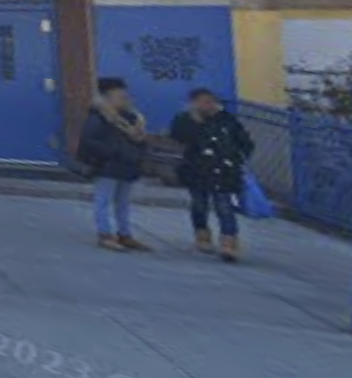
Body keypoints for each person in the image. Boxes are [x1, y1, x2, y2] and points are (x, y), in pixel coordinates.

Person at [169, 88, 256, 262]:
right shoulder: (185, 119)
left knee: (224, 207)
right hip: (197, 170)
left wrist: (237, 157)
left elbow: (245, 142)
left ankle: (229, 244)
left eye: (210, 101)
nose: (207, 105)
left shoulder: (227, 120)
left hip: (224, 171)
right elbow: (179, 137)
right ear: (193, 103)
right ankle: (202, 237)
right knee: (199, 204)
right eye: (202, 101)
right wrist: (195, 121)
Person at [77, 76, 152, 251]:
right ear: (106, 97)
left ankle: (125, 234)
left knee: (123, 202)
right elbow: (90, 140)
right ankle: (105, 234)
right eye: (119, 95)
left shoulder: (133, 117)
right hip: (108, 165)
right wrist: (112, 154)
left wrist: (139, 155)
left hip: (128, 165)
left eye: (125, 95)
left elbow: (140, 139)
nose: (125, 98)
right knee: (103, 200)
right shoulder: (99, 116)